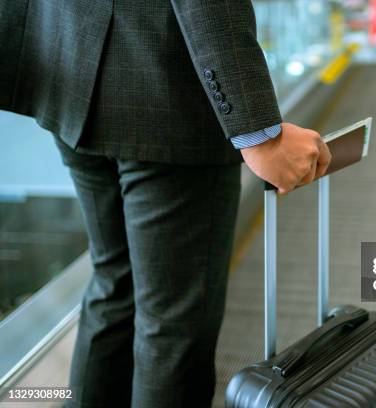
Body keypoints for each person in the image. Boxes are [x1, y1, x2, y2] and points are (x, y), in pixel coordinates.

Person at [0, 0, 331, 406]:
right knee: (172, 323)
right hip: (163, 90)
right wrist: (257, 130)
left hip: (67, 63)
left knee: (114, 285)